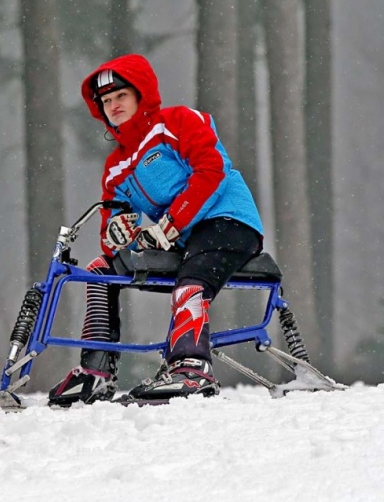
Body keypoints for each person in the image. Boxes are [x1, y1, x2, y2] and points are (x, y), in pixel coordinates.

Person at [48, 54, 264, 406]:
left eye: (121, 96)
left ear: (141, 95)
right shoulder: (116, 165)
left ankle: (192, 367)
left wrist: (170, 224)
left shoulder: (176, 122)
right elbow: (111, 226)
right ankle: (96, 370)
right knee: (101, 270)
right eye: (106, 101)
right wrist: (116, 233)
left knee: (191, 282)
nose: (113, 105)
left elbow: (212, 170)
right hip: (183, 236)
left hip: (229, 221)